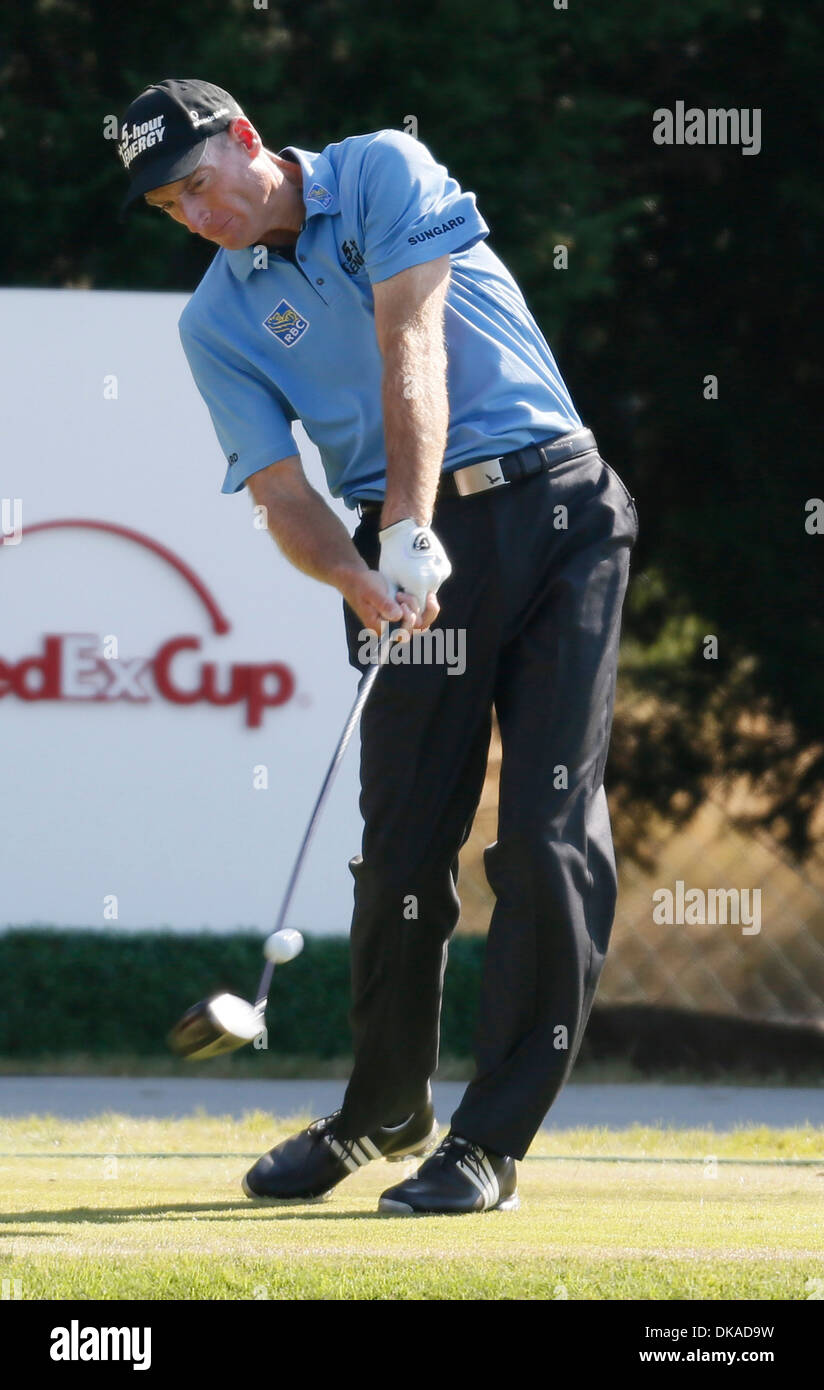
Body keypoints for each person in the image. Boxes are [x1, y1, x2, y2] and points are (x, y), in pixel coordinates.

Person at [118, 78, 638, 1215]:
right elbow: (278, 489)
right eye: (170, 209)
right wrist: (356, 575)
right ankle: (383, 1109)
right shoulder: (212, 320)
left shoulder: (381, 169)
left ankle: (488, 1140)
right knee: (400, 847)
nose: (196, 218)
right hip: (392, 547)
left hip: (553, 511)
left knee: (545, 837)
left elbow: (411, 336)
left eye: (199, 186)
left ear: (249, 140)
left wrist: (408, 522)